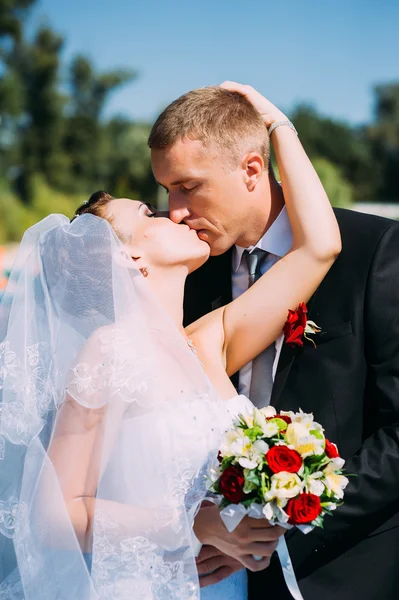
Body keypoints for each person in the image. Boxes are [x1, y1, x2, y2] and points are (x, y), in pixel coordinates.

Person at [0, 89, 340, 599]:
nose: (176, 214)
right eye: (151, 212)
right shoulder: (109, 351)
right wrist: (192, 525)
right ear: (129, 261)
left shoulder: (206, 342)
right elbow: (53, 514)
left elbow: (319, 246)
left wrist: (274, 124)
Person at [149, 82, 399, 600]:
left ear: (252, 169)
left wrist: (287, 523)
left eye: (188, 186)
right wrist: (201, 525)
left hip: (350, 572)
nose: (174, 211)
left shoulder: (374, 252)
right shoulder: (183, 277)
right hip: (220, 570)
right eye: (166, 189)